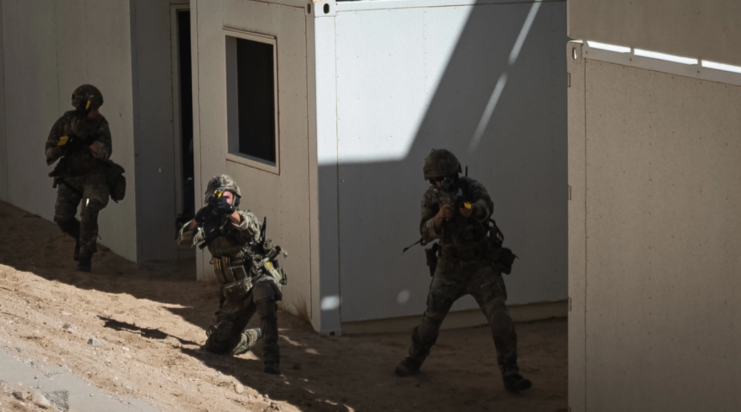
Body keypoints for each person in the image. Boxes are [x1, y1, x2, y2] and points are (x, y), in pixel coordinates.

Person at [395, 149, 532, 393]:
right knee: (431, 320)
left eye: (445, 177)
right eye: (436, 179)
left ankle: (510, 372)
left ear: (455, 173)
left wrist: (472, 210)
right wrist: (439, 218)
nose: (441, 182)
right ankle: (414, 358)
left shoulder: (470, 188)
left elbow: (485, 205)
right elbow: (424, 232)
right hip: (448, 267)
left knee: (500, 318)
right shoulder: (431, 198)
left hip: (479, 266)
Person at [178, 175, 286, 375]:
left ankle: (271, 357)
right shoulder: (209, 225)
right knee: (216, 346)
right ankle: (256, 335)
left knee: (263, 292)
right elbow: (184, 240)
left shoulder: (243, 217)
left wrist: (231, 213)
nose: (221, 200)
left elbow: (252, 230)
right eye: (215, 196)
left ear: (235, 199)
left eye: (226, 196)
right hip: (235, 293)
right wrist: (196, 220)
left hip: (257, 279)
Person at [45, 84, 112, 272]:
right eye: (94, 108)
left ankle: (85, 258)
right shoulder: (65, 121)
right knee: (62, 218)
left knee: (90, 209)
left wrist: (88, 139)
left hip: (94, 175)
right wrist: (61, 148)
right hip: (71, 174)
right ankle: (80, 238)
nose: (97, 112)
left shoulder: (100, 124)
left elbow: (105, 151)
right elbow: (49, 151)